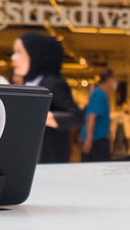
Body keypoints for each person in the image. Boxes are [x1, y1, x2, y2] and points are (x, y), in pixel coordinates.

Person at [11, 31, 81, 163]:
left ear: (35, 54)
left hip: (48, 160)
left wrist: (42, 117)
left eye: (19, 52)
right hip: (30, 158)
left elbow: (76, 116)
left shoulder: (52, 83)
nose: (13, 57)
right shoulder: (31, 83)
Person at [81, 68, 117, 162]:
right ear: (108, 80)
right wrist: (89, 139)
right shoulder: (99, 94)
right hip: (96, 141)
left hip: (99, 139)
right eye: (114, 79)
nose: (115, 82)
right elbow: (92, 116)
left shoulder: (103, 94)